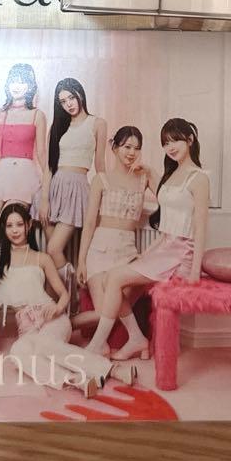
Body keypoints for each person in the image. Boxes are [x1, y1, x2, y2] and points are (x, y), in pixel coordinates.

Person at [84, 118, 209, 361]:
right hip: (165, 246)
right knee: (114, 278)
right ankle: (135, 339)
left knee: (115, 278)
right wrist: (151, 171)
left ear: (190, 140)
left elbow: (201, 227)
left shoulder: (199, 178)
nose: (170, 147)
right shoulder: (174, 175)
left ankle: (100, 344)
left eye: (176, 141)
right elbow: (166, 201)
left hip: (181, 252)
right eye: (166, 143)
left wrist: (195, 271)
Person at [0, 203, 136, 396]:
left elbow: (64, 294)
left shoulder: (42, 258)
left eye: (19, 224)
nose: (15, 230)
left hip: (52, 318)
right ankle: (77, 380)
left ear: (28, 225)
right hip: (26, 327)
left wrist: (58, 309)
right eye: (9, 226)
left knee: (44, 345)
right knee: (18, 352)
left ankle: (113, 370)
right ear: (3, 228)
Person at [73, 126, 150, 335]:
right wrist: (81, 261)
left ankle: (134, 340)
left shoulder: (144, 179)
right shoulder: (101, 179)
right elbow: (90, 223)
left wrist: (151, 171)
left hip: (127, 253)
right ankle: (64, 326)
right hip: (99, 252)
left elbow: (167, 194)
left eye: (136, 148)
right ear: (115, 148)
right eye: (127, 147)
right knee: (103, 313)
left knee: (112, 311)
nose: (132, 153)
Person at [34, 77, 108, 272]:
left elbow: (100, 165)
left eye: (71, 98)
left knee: (53, 249)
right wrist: (44, 200)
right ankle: (66, 289)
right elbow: (50, 166)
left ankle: (73, 287)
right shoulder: (57, 127)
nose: (69, 104)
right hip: (53, 189)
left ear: (80, 94)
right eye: (63, 101)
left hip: (77, 190)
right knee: (53, 252)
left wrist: (106, 193)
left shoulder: (97, 124)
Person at [0, 63, 46, 245]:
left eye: (22, 82)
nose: (17, 86)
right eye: (13, 81)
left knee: (11, 218)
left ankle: (12, 261)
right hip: (1, 174)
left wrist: (47, 186)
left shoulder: (37, 115)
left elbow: (42, 153)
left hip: (24, 175)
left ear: (30, 86)